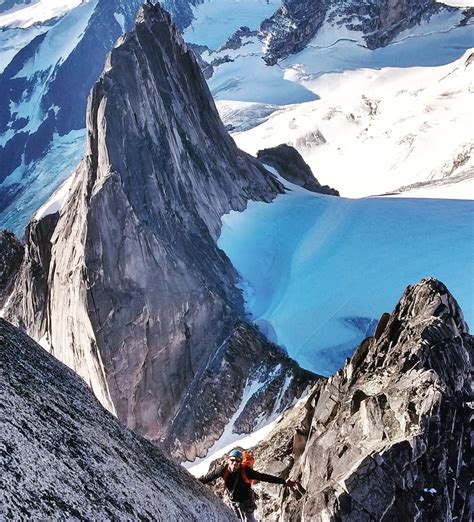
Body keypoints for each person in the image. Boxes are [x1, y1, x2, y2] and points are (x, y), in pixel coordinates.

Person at [199, 449, 297, 521]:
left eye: (237, 461)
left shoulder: (246, 471)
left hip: (247, 502)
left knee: (250, 520)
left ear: (240, 462)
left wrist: (283, 482)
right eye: (232, 460)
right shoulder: (222, 470)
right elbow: (208, 478)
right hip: (233, 501)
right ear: (228, 460)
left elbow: (264, 477)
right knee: (237, 519)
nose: (234, 463)